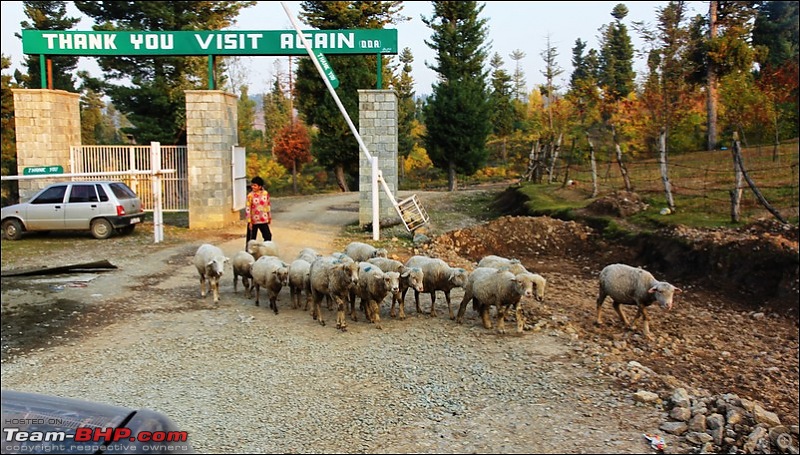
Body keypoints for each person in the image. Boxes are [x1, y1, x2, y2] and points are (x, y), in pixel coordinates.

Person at [245, 176, 272, 248]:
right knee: (251, 239)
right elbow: (248, 208)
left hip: (263, 219)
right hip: (253, 221)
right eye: (252, 185)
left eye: (255, 185)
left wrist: (269, 217)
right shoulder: (250, 195)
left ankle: (265, 250)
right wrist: (249, 221)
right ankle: (249, 254)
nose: (253, 187)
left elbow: (268, 205)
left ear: (260, 186)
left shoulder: (265, 194)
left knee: (268, 236)